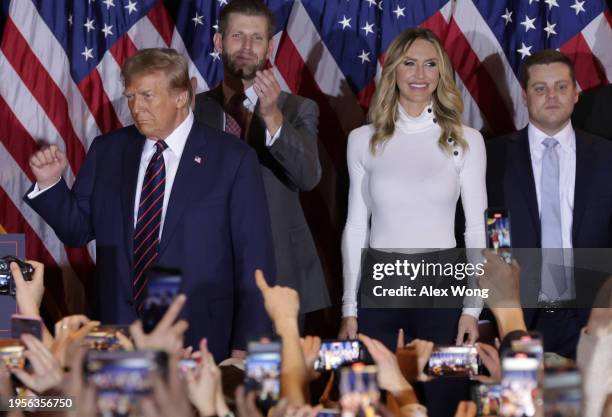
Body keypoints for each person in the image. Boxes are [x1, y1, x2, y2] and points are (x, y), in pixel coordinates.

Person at [23, 48, 275, 361]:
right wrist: (50, 184)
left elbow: (255, 260)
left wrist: (246, 348)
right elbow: (78, 230)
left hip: (199, 339)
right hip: (117, 335)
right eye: (130, 97)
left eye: (147, 96)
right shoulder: (108, 150)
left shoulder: (232, 159)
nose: (136, 108)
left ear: (181, 97)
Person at [338, 28, 487, 417]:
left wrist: (473, 306)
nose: (420, 73)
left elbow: (475, 229)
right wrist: (349, 307)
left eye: (431, 63)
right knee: (371, 404)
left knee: (447, 401)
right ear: (393, 71)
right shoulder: (362, 140)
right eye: (410, 62)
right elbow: (356, 228)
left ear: (442, 73)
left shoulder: (466, 140)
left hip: (444, 286)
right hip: (379, 286)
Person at [193, 0, 330, 318]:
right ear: (218, 42)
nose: (246, 47)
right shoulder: (190, 111)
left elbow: (308, 177)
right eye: (237, 35)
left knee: (282, 370)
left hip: (277, 272)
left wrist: (272, 118)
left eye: (257, 38)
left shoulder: (297, 109)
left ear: (269, 47)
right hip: (207, 270)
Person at [486, 49, 612, 358]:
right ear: (525, 96)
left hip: (594, 320)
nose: (551, 96)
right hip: (521, 316)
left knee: (591, 406)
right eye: (540, 88)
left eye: (561, 86)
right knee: (528, 404)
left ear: (575, 94)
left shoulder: (608, 157)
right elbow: (492, 235)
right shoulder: (492, 158)